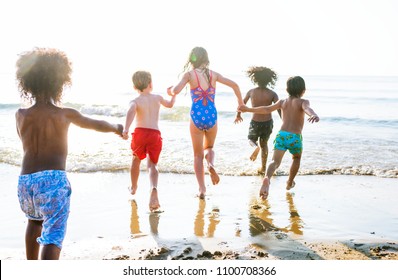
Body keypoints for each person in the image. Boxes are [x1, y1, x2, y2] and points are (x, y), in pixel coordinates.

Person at [15, 48, 123, 260]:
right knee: (53, 235)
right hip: (53, 180)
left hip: (25, 182)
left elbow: (25, 144)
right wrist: (116, 127)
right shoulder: (64, 114)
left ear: (27, 82)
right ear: (60, 81)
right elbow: (96, 124)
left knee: (33, 222)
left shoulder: (20, 115)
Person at [169, 47, 244, 199]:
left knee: (197, 155)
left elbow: (176, 90)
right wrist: (240, 103)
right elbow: (235, 85)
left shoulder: (189, 74)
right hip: (212, 116)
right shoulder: (213, 75)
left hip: (196, 116)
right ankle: (211, 165)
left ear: (192, 59)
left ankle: (202, 189)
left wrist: (170, 91)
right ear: (206, 58)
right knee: (209, 147)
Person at [239, 76, 319, 199]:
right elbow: (307, 109)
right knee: (296, 158)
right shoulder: (303, 102)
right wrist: (313, 114)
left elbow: (266, 109)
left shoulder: (282, 102)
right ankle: (289, 182)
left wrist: (248, 109)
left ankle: (267, 178)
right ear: (303, 90)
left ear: (287, 89)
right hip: (295, 137)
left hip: (281, 135)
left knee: (275, 162)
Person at [122, 71, 176, 212]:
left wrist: (126, 129)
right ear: (151, 84)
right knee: (152, 165)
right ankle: (153, 188)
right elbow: (170, 105)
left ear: (134, 87)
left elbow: (131, 111)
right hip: (154, 134)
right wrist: (173, 94)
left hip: (140, 133)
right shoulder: (158, 98)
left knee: (136, 160)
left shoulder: (135, 101)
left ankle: (133, 187)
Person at [234, 66, 281, 174]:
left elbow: (241, 104)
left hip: (255, 123)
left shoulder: (251, 92)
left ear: (255, 79)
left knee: (251, 139)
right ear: (270, 80)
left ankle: (255, 147)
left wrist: (238, 115)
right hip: (267, 123)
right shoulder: (272, 94)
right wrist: (284, 120)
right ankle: (264, 168)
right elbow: (279, 108)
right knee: (264, 145)